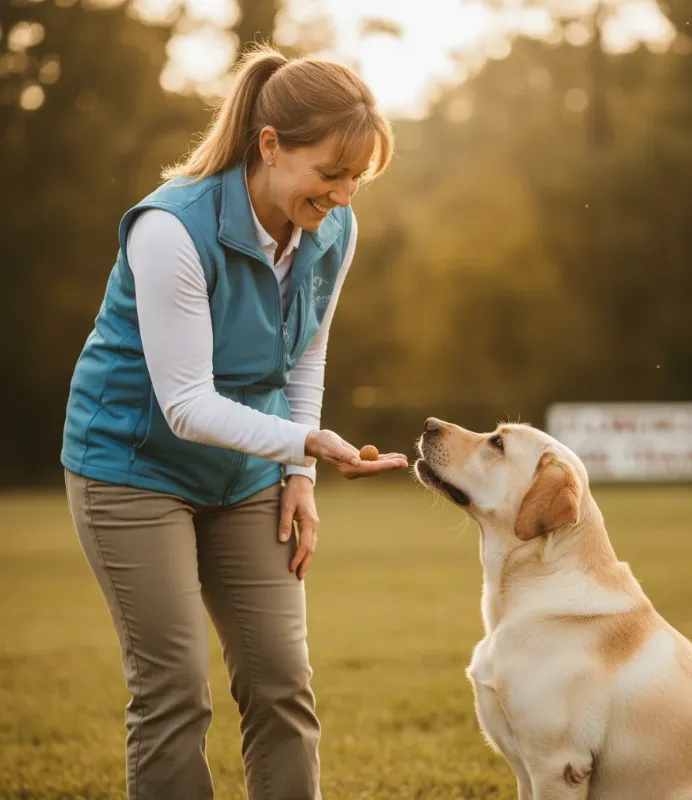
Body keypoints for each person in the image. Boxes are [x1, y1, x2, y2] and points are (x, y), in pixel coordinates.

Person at [61, 43, 408, 800]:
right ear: (271, 146)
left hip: (249, 470)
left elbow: (304, 360)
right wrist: (308, 441)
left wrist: (299, 474)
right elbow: (185, 405)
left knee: (282, 682)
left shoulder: (334, 231)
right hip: (132, 467)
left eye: (358, 178)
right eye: (331, 173)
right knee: (176, 691)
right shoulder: (171, 230)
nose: (345, 195)